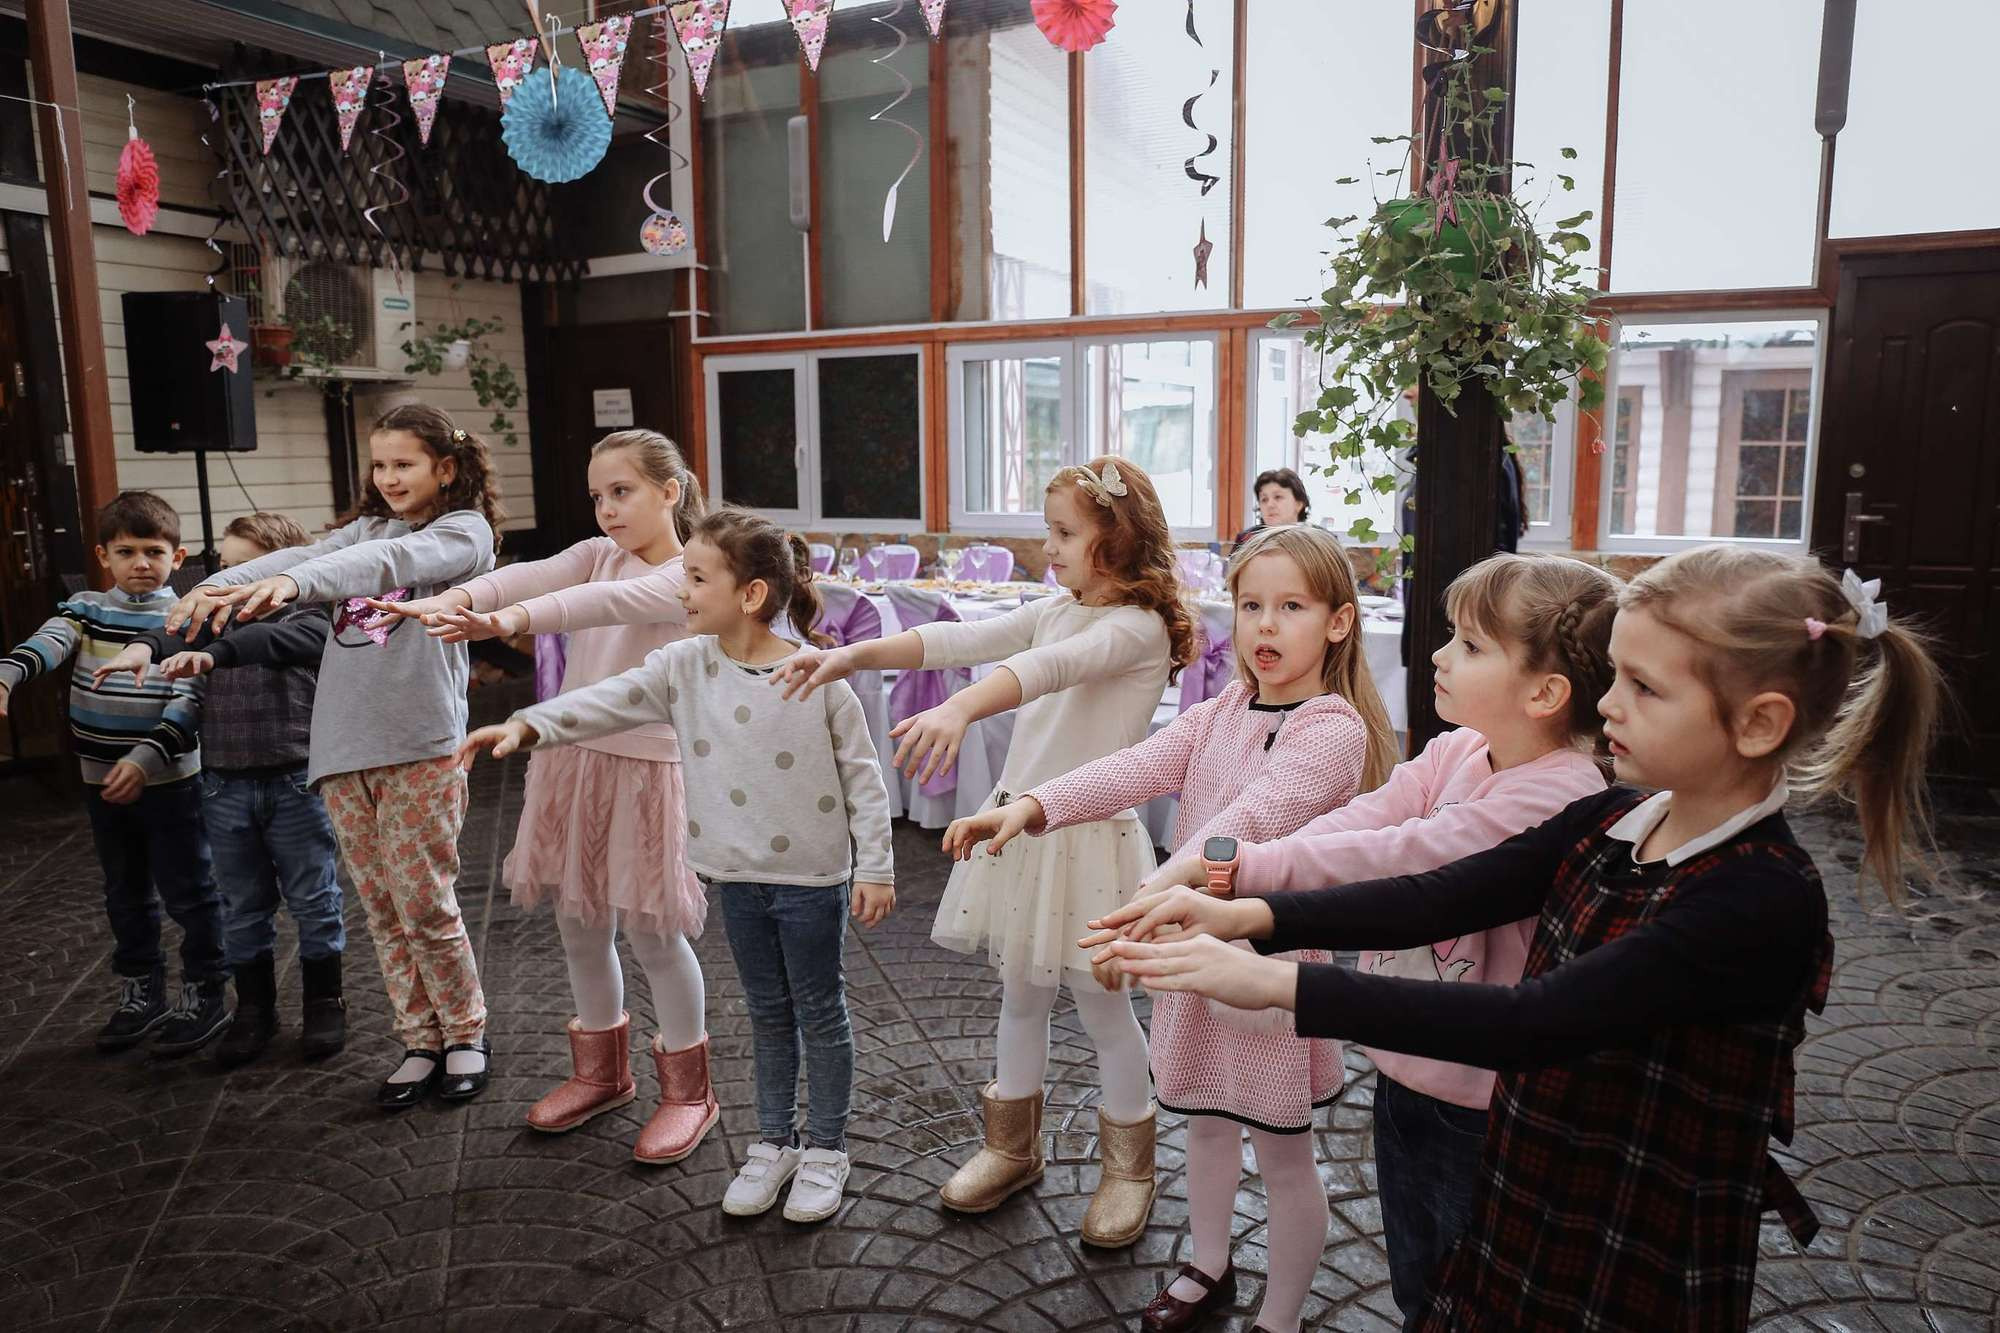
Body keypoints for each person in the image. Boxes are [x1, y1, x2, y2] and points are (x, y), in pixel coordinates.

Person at [1091, 546, 1943, 1331]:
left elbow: (1531, 1020)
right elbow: (1435, 897)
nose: (1605, 702)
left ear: (1757, 724)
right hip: (1540, 1162)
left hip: (1633, 1209)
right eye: (1616, 676)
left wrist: (1277, 983)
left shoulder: (1754, 896)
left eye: (1643, 688)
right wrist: (1243, 914)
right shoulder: (1618, 814)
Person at [1129, 551, 1623, 1325]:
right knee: (1417, 1277)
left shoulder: (1555, 791)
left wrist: (1243, 873)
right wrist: (1240, 869)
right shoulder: (1462, 748)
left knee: (1474, 1287)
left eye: (1468, 644)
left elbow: (1402, 856)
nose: (1436, 654)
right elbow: (1367, 817)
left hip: (1481, 1095)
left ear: (1545, 692)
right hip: (1407, 1065)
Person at [946, 523, 1395, 1333]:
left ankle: (1281, 1317)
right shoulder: (1224, 705)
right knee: (1208, 1125)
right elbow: (1137, 765)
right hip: (1194, 958)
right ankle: (1208, 1267)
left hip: (1267, 970)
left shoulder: (1331, 729)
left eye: (1290, 605)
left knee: (1286, 1153)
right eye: (1250, 604)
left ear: (1337, 621)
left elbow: (1245, 822)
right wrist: (1031, 805)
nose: (1264, 624)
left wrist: (1154, 889)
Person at [773, 456, 1197, 1247]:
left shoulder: (1132, 629)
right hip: (1022, 836)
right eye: (1049, 532)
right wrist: (850, 655)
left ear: (1119, 536)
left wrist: (964, 708)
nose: (1050, 548)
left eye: (1066, 533)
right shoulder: (1056, 608)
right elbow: (958, 638)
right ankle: (1010, 1145)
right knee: (1020, 995)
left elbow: (1043, 672)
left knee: (1104, 1008)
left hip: (1092, 844)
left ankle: (1130, 1166)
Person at [459, 506, 895, 1225]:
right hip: (736, 878)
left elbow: (865, 783)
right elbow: (608, 700)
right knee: (765, 1012)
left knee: (820, 1012)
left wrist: (875, 869)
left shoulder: (822, 680)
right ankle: (774, 1141)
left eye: (696, 578)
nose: (682, 591)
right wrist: (529, 722)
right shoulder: (683, 665)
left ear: (750, 594)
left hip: (813, 883)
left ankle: (825, 1148)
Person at [377, 429, 717, 1163]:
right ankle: (602, 1072)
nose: (606, 509)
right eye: (597, 495)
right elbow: (532, 574)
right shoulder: (599, 551)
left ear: (671, 489)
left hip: (648, 767)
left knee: (656, 933)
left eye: (622, 491)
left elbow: (600, 604)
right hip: (571, 759)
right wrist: (462, 597)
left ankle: (689, 1091)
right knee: (579, 922)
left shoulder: (693, 572)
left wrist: (503, 623)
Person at [164, 404, 502, 1108]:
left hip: (420, 747)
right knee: (379, 906)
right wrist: (219, 585)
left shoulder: (462, 533)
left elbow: (385, 561)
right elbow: (311, 552)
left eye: (404, 463)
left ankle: (465, 1032)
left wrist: (293, 586)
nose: (388, 477)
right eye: (379, 465)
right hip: (343, 751)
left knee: (425, 903)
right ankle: (420, 1040)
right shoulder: (364, 529)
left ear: (445, 467)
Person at [98, 512, 345, 1068]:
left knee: (314, 898)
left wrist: (216, 645)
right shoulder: (215, 623)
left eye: (243, 569)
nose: (225, 582)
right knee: (241, 906)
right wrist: (147, 648)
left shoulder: (314, 620)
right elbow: (182, 661)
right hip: (225, 789)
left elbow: (275, 639)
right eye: (224, 567)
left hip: (296, 784)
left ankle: (324, 1001)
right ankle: (254, 1009)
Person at [0, 492, 225, 1055]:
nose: (141, 563)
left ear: (180, 558)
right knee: (124, 890)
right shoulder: (86, 609)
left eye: (154, 551)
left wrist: (144, 759)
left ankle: (205, 992)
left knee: (190, 890)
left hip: (171, 781)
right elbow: (48, 643)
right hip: (101, 781)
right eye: (127, 551)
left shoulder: (187, 618)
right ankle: (140, 990)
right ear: (104, 556)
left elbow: (188, 702)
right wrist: (7, 672)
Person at [1232, 467, 1311, 547]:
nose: (1270, 505)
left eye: (1278, 497)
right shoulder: (1246, 539)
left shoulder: (1313, 541)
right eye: (1264, 499)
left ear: (1299, 504)